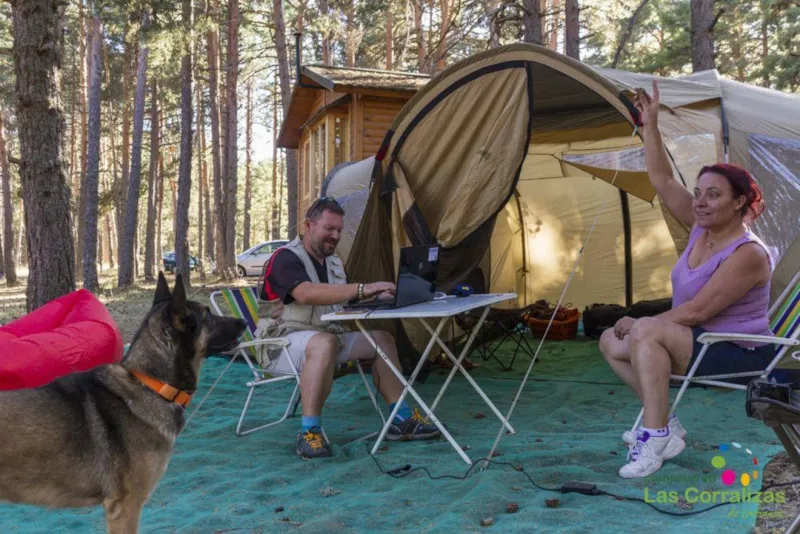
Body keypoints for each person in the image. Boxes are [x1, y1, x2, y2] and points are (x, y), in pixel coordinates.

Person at [600, 81, 774, 479]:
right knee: (610, 339)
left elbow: (696, 312)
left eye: (713, 195)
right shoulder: (700, 229)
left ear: (739, 202)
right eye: (698, 193)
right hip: (699, 340)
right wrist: (650, 124)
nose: (700, 202)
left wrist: (642, 322)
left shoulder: (748, 253)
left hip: (739, 352)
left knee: (645, 330)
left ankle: (655, 435)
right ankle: (667, 424)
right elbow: (662, 179)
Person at [259, 197, 441, 459]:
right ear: (308, 225)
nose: (335, 236)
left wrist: (376, 297)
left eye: (339, 230)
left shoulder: (334, 262)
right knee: (325, 343)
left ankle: (400, 420)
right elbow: (306, 294)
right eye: (329, 228)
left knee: (382, 339)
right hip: (280, 345)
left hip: (327, 338)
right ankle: (309, 432)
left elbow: (339, 300)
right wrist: (364, 288)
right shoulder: (285, 258)